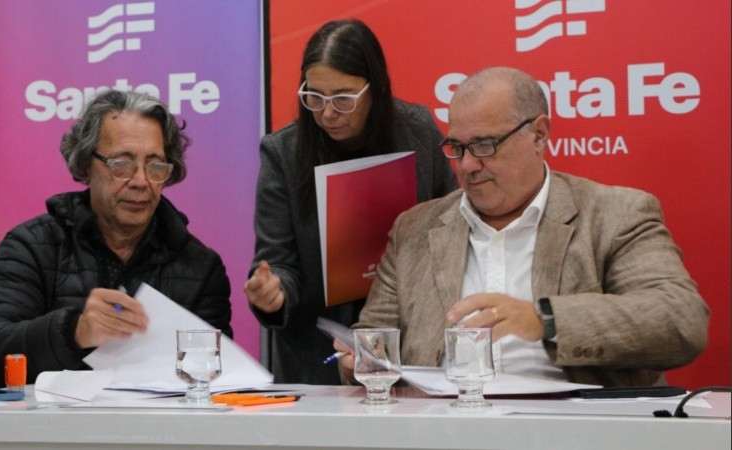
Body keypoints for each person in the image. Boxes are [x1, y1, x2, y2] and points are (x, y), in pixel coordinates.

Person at [336, 66, 709, 387]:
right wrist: (360, 362)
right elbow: (374, 340)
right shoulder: (415, 230)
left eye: (484, 145)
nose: (466, 166)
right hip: (444, 430)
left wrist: (544, 320)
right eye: (458, 147)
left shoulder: (615, 214)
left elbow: (679, 321)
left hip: (576, 433)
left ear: (539, 134)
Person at [0, 89, 233, 388]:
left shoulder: (199, 266)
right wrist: (74, 331)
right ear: (87, 164)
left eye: (155, 166)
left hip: (158, 432)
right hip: (51, 432)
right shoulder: (34, 246)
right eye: (121, 164)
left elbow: (219, 382)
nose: (140, 181)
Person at [243, 19, 459, 384]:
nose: (327, 113)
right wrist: (273, 291)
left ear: (375, 89)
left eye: (343, 98)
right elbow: (278, 259)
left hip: (411, 347)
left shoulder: (418, 132)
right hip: (318, 356)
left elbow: (452, 225)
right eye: (314, 97)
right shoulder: (284, 153)